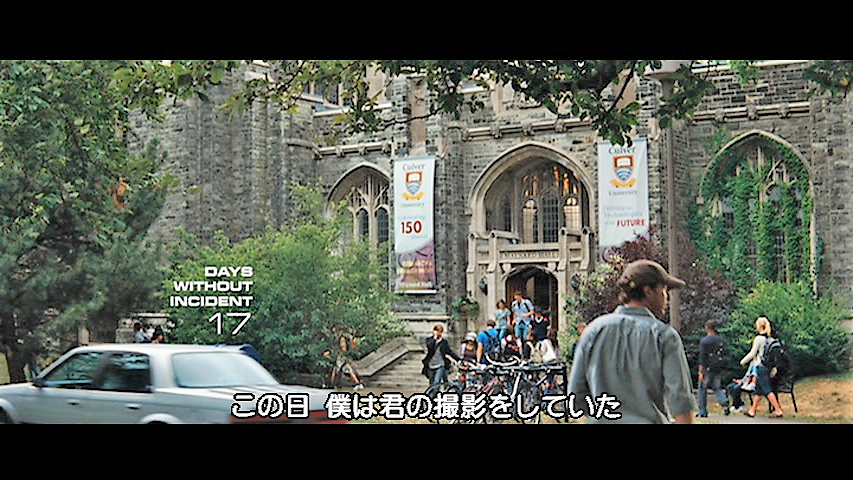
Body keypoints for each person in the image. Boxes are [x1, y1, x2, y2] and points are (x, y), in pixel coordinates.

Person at [567, 259, 696, 424]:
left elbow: (576, 394)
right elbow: (680, 399)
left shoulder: (593, 331)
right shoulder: (663, 336)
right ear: (648, 291)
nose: (667, 298)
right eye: (664, 290)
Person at [743, 317, 784, 418]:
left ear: (760, 326)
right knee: (759, 390)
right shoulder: (770, 339)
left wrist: (743, 361)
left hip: (761, 366)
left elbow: (753, 353)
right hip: (768, 366)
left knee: (766, 389)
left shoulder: (759, 338)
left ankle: (778, 410)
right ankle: (752, 410)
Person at [697, 320, 729, 417]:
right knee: (716, 387)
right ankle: (724, 401)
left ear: (707, 328)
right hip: (718, 367)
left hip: (707, 368)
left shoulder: (705, 341)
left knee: (702, 388)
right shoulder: (721, 340)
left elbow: (702, 357)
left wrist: (700, 371)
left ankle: (703, 411)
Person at [323, 325, 365, 391]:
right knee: (345, 370)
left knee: (337, 370)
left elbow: (343, 347)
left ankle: (331, 385)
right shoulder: (345, 336)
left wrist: (332, 352)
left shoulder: (342, 337)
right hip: (344, 356)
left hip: (342, 356)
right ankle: (357, 384)